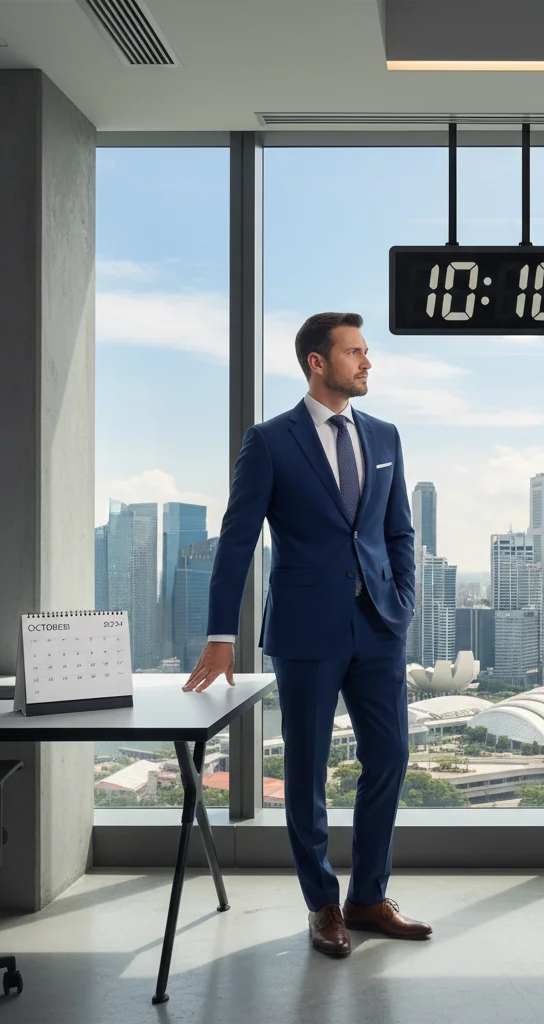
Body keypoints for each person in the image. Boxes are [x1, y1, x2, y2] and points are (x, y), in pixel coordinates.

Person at [182, 311, 431, 958]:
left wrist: (402, 602)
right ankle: (323, 906)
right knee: (305, 771)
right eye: (354, 352)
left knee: (391, 758)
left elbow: (398, 529)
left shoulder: (385, 436)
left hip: (378, 626)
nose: (367, 362)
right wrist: (219, 635)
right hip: (305, 631)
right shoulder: (269, 441)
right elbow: (236, 544)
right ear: (318, 363)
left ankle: (369, 897)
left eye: (366, 351)